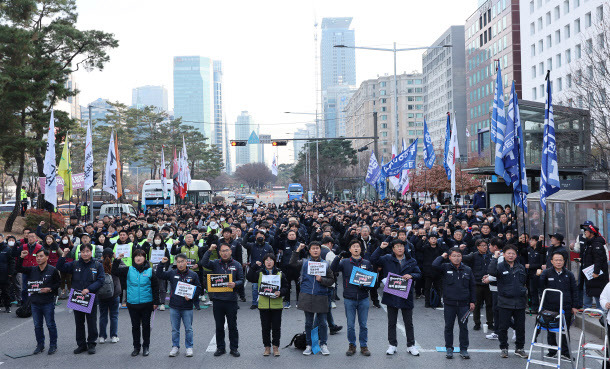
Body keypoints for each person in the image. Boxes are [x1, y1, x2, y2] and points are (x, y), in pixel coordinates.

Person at [371, 240, 422, 356]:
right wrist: (380, 247)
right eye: (397, 246)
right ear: (393, 249)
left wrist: (412, 275)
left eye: (401, 246)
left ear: (404, 248)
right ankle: (392, 345)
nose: (400, 248)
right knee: (392, 322)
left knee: (408, 322)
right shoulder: (387, 258)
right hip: (391, 294)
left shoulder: (411, 261)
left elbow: (419, 274)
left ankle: (411, 345)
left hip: (406, 296)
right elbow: (373, 259)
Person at [57, 243, 105, 355]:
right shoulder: (75, 264)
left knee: (91, 322)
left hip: (90, 297)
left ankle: (91, 344)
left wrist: (89, 289)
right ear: (80, 253)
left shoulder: (97, 265)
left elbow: (100, 280)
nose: (85, 253)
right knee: (79, 323)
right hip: (77, 297)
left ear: (91, 252)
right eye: (83, 251)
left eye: (87, 251)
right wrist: (63, 255)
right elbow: (60, 267)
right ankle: (81, 345)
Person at [290, 241, 335, 356]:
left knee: (323, 323)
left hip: (321, 295)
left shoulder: (325, 264)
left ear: (320, 250)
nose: (315, 250)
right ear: (309, 251)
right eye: (313, 248)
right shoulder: (305, 262)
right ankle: (309, 345)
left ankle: (323, 344)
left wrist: (322, 280)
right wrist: (298, 249)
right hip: (307, 295)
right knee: (308, 322)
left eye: (317, 248)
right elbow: (292, 263)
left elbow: (331, 280)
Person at [112, 249, 160, 356]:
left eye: (141, 256)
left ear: (144, 258)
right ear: (133, 258)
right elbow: (114, 271)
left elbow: (155, 287)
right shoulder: (128, 269)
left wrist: (156, 302)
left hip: (147, 303)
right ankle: (136, 347)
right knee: (135, 326)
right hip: (132, 303)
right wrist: (117, 260)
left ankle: (146, 347)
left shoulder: (150, 271)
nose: (138, 258)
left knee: (146, 326)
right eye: (136, 256)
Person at [200, 242, 244, 357]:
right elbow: (203, 263)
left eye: (227, 250)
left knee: (232, 326)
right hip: (218, 300)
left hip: (231, 300)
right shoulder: (215, 263)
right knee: (219, 326)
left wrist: (235, 283)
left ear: (230, 251)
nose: (225, 253)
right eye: (222, 251)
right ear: (219, 253)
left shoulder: (237, 264)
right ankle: (220, 348)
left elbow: (241, 280)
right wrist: (209, 250)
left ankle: (234, 348)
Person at [330, 239, 373, 356]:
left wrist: (366, 286)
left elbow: (373, 280)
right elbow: (333, 268)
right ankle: (352, 345)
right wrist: (338, 256)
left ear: (361, 249)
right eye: (353, 246)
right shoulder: (345, 262)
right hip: (349, 298)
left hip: (363, 298)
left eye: (358, 246)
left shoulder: (366, 263)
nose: (356, 248)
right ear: (350, 250)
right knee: (350, 325)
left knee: (363, 325)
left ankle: (364, 346)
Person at [433, 247, 476, 359]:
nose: (456, 258)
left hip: (464, 304)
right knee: (449, 326)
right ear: (450, 257)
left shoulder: (467, 269)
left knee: (464, 327)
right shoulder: (445, 267)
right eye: (454, 256)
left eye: (459, 256)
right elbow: (434, 265)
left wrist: (472, 301)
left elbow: (472, 286)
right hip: (449, 304)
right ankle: (449, 348)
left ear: (462, 257)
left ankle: (464, 349)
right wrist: (442, 256)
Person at [16, 247, 60, 355]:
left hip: (48, 302)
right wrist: (21, 257)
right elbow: (18, 268)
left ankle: (53, 345)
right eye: (37, 256)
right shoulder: (32, 269)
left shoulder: (52, 270)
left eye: (41, 256)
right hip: (35, 302)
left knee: (50, 324)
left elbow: (58, 284)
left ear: (47, 257)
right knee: (37, 325)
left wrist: (49, 289)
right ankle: (40, 345)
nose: (39, 258)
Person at [156, 253, 201, 358]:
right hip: (174, 306)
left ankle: (189, 347)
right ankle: (175, 347)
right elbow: (159, 275)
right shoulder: (172, 273)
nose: (180, 264)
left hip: (187, 307)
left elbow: (198, 288)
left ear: (186, 262)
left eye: (182, 261)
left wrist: (191, 296)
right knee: (175, 329)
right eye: (178, 262)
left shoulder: (193, 275)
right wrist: (161, 263)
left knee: (188, 328)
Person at [488, 245, 527, 359]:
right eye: (508, 253)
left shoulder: (521, 267)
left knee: (520, 327)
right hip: (504, 301)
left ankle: (519, 348)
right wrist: (495, 258)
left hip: (520, 302)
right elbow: (491, 271)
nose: (511, 255)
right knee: (503, 327)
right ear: (504, 254)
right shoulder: (500, 266)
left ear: (516, 255)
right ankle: (504, 348)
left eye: (513, 253)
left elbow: (524, 281)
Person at [246, 252, 288, 357]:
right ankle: (267, 347)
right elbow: (249, 277)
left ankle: (275, 347)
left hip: (277, 305)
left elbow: (286, 287)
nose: (269, 262)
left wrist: (280, 292)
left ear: (274, 261)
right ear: (264, 262)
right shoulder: (260, 272)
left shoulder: (280, 273)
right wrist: (255, 266)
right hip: (263, 305)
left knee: (276, 327)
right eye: (267, 260)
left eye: (271, 260)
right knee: (265, 328)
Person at [538, 252, 579, 360]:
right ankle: (552, 351)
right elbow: (540, 288)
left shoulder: (569, 274)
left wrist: (574, 306)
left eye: (560, 260)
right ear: (551, 261)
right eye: (556, 260)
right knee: (550, 329)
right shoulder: (546, 273)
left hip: (565, 306)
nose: (558, 262)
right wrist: (539, 276)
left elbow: (574, 291)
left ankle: (565, 353)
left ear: (564, 261)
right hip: (549, 307)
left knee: (565, 330)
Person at [462, 239, 493, 331]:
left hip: (489, 283)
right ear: (478, 247)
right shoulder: (473, 255)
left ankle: (490, 322)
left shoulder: (490, 255)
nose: (484, 247)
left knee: (489, 304)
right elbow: (463, 258)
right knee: (477, 305)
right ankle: (477, 323)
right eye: (482, 245)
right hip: (477, 284)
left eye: (486, 245)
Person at [581, 224, 609, 310]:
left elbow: (598, 259)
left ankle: (601, 311)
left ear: (592, 233)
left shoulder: (597, 243)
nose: (585, 232)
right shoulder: (589, 242)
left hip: (596, 274)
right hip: (589, 273)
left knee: (598, 292)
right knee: (588, 290)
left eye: (587, 230)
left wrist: (596, 272)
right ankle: (587, 309)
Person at [98, 248, 122, 344]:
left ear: (102, 256)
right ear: (113, 255)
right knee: (114, 315)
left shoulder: (98, 264)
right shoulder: (117, 263)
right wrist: (116, 258)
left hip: (102, 293)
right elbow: (124, 269)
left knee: (103, 315)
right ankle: (114, 336)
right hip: (114, 292)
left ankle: (102, 336)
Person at [0, 233, 15, 313]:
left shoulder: (7, 249)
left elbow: (12, 262)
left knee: (5, 291)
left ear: (2, 239)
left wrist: (10, 272)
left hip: (5, 273)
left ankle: (7, 306)